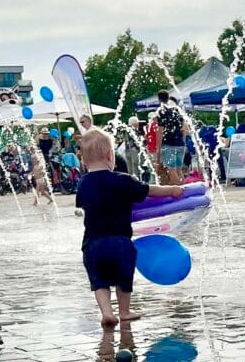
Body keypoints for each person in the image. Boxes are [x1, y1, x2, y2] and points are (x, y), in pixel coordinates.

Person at [75, 128, 183, 328]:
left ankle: (107, 313)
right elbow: (149, 190)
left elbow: (82, 205)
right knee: (123, 279)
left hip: (92, 244)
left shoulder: (83, 184)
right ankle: (124, 312)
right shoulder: (123, 180)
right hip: (120, 242)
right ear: (110, 155)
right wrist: (172, 190)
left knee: (99, 281)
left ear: (83, 161)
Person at [155, 91, 186, 186]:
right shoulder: (177, 110)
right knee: (179, 170)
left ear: (159, 99)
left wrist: (158, 148)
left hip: (168, 144)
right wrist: (182, 141)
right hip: (180, 144)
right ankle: (183, 188)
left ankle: (180, 192)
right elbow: (184, 128)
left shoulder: (161, 111)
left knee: (171, 171)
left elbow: (160, 131)